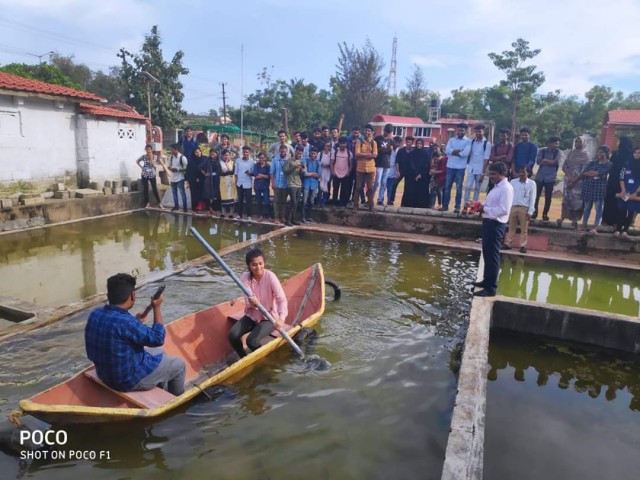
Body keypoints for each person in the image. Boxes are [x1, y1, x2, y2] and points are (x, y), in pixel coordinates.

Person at [85, 273, 185, 395]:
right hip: (126, 381)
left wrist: (136, 321)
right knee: (179, 365)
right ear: (132, 295)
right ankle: (177, 400)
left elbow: (118, 333)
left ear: (109, 295)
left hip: (104, 374)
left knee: (160, 351)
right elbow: (158, 338)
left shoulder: (95, 314)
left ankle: (157, 387)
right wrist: (156, 308)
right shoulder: (127, 322)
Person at [228, 248, 288, 358]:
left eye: (261, 263)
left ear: (264, 262)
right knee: (233, 335)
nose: (258, 267)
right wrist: (253, 304)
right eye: (254, 265)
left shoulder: (271, 277)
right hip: (252, 315)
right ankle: (244, 357)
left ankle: (263, 359)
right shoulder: (245, 278)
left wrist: (281, 319)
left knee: (252, 341)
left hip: (269, 317)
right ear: (249, 266)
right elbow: (247, 299)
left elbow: (282, 300)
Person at [467, 162, 514, 297]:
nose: (491, 176)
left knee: (492, 256)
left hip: (496, 224)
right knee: (487, 254)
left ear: (502, 173)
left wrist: (484, 208)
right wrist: (478, 205)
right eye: (490, 173)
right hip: (489, 221)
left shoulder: (506, 188)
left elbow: (504, 210)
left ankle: (491, 287)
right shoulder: (497, 187)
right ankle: (486, 281)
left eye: (493, 174)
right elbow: (491, 205)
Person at [502, 165, 536, 253]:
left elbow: (533, 198)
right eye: (520, 172)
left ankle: (523, 245)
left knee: (524, 228)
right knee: (511, 227)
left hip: (524, 208)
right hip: (513, 207)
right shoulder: (513, 182)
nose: (521, 174)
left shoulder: (532, 184)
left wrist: (530, 211)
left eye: (523, 172)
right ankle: (508, 243)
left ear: (528, 173)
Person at [559, 136, 590, 228]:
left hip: (579, 182)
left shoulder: (586, 155)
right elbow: (564, 166)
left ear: (583, 143)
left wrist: (574, 180)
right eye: (576, 141)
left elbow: (585, 170)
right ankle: (563, 217)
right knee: (566, 198)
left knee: (577, 200)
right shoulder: (571, 153)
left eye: (579, 141)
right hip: (568, 179)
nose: (577, 143)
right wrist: (569, 176)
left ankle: (575, 220)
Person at [602, 136, 634, 226]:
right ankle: (615, 221)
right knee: (613, 199)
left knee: (619, 200)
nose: (617, 143)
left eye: (619, 141)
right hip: (618, 180)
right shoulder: (617, 153)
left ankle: (610, 220)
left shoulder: (625, 154)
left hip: (620, 180)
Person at [581, 145, 612, 233]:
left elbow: (601, 173)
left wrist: (592, 173)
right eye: (598, 152)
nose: (599, 154)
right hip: (589, 187)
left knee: (598, 208)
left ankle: (596, 226)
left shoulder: (608, 163)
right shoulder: (592, 162)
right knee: (587, 207)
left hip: (600, 188)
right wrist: (595, 174)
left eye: (601, 152)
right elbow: (584, 172)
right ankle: (584, 224)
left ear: (606, 153)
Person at [443, 123, 472, 213]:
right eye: (459, 130)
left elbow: (465, 153)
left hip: (461, 167)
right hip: (450, 166)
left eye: (462, 130)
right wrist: (457, 151)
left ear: (465, 131)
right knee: (447, 187)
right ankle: (445, 206)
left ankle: (457, 207)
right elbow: (447, 151)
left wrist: (453, 152)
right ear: (457, 130)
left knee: (459, 187)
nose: (460, 132)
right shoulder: (451, 140)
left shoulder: (468, 141)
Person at [462, 124, 491, 213]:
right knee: (467, 187)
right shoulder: (472, 141)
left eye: (480, 132)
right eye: (477, 132)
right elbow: (467, 150)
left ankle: (474, 207)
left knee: (477, 189)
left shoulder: (487, 143)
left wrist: (483, 173)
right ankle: (466, 206)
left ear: (483, 132)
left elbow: (486, 159)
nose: (478, 133)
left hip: (480, 169)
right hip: (471, 168)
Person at [533, 136, 561, 222]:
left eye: (558, 143)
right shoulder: (542, 151)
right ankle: (534, 213)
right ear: (550, 143)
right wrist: (548, 161)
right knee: (536, 196)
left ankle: (545, 215)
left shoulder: (558, 152)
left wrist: (545, 160)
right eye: (555, 143)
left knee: (548, 197)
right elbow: (538, 161)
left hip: (551, 178)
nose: (557, 145)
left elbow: (554, 162)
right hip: (540, 177)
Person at [614, 147, 640, 238]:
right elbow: (621, 178)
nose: (637, 154)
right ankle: (618, 230)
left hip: (634, 193)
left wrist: (636, 193)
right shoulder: (626, 164)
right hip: (625, 191)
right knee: (621, 211)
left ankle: (625, 231)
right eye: (635, 152)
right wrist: (623, 190)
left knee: (631, 212)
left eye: (639, 153)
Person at [353, 124, 378, 210]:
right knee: (358, 187)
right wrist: (368, 154)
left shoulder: (373, 143)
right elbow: (357, 154)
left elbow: (375, 155)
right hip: (360, 168)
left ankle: (371, 206)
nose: (367, 132)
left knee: (370, 188)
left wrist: (363, 155)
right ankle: (355, 205)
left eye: (369, 131)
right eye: (366, 131)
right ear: (363, 132)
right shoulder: (359, 142)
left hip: (370, 168)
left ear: (372, 133)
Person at [402, 138, 431, 208]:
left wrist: (421, 174)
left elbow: (427, 166)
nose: (419, 145)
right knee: (410, 190)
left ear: (422, 145)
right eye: (418, 143)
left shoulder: (426, 154)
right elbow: (410, 164)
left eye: (420, 144)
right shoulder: (412, 154)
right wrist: (416, 174)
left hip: (423, 176)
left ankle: (422, 205)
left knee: (422, 191)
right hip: (412, 176)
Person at [136, 144, 164, 209]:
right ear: (145, 150)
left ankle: (159, 203)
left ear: (151, 150)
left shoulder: (155, 157)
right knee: (145, 189)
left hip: (152, 174)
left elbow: (154, 165)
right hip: (145, 174)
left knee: (154, 188)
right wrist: (141, 167)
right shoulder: (143, 157)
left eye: (149, 149)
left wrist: (151, 158)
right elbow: (137, 161)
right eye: (147, 149)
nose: (148, 150)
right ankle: (147, 203)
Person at [284, 146, 305, 225]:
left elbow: (300, 174)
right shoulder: (289, 160)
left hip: (299, 184)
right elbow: (285, 171)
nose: (299, 155)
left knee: (296, 203)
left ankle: (293, 219)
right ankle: (287, 219)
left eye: (300, 154)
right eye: (298, 153)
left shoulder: (301, 162)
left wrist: (302, 171)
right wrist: (294, 166)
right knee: (293, 202)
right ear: (295, 152)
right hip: (291, 184)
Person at [374, 123, 394, 205]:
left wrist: (391, 149)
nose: (387, 134)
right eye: (386, 132)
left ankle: (380, 199)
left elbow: (390, 153)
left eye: (389, 133)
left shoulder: (390, 141)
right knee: (377, 182)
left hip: (387, 163)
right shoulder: (377, 139)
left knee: (384, 182)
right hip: (379, 163)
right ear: (384, 130)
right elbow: (374, 151)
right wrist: (380, 149)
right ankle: (371, 197)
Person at [330, 136, 353, 206]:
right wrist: (333, 172)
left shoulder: (349, 153)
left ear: (346, 144)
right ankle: (334, 203)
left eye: (344, 143)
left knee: (344, 190)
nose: (342, 145)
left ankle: (342, 203)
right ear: (339, 143)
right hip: (336, 173)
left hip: (345, 174)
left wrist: (349, 172)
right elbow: (331, 163)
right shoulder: (335, 152)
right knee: (335, 189)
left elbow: (351, 164)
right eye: (341, 143)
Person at [235, 146, 255, 220]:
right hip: (239, 183)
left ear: (249, 153)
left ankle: (249, 215)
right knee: (240, 200)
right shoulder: (238, 161)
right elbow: (236, 172)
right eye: (244, 152)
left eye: (246, 152)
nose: (245, 153)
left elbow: (254, 173)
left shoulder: (252, 162)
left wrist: (250, 173)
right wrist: (236, 182)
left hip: (248, 183)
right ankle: (239, 215)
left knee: (248, 201)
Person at [271, 145, 290, 225]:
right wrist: (272, 182)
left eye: (284, 151)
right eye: (282, 151)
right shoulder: (275, 159)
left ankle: (282, 217)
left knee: (284, 202)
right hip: (277, 184)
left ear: (286, 151)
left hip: (285, 184)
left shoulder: (289, 160)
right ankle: (276, 217)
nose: (283, 152)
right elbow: (272, 172)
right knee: (276, 201)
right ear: (280, 151)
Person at [167, 143, 188, 213]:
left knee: (182, 193)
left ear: (176, 149)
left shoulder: (182, 157)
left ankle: (185, 208)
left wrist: (178, 170)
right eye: (171, 149)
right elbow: (168, 166)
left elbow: (187, 168)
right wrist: (171, 169)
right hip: (173, 178)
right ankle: (176, 206)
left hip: (180, 178)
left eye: (172, 149)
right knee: (174, 193)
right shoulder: (171, 157)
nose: (171, 151)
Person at [393, 136, 414, 206]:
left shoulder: (414, 151)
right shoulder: (401, 151)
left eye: (410, 142)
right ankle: (391, 200)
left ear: (412, 143)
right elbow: (397, 162)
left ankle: (404, 203)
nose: (409, 144)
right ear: (406, 142)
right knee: (394, 184)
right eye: (407, 142)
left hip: (410, 172)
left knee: (407, 188)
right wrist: (397, 171)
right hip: (401, 171)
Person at [302, 147, 321, 223]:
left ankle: (309, 217)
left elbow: (319, 175)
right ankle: (303, 217)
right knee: (304, 201)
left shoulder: (318, 163)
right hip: (306, 183)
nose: (313, 155)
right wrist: (313, 174)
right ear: (309, 153)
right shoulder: (305, 161)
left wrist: (310, 174)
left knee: (311, 201)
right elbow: (305, 174)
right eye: (312, 153)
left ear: (317, 154)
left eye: (314, 153)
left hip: (314, 184)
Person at [201, 149, 222, 216]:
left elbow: (220, 171)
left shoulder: (219, 161)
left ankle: (214, 209)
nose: (212, 155)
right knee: (207, 195)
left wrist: (214, 174)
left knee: (216, 195)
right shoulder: (207, 160)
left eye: (214, 154)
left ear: (217, 154)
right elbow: (200, 167)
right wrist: (205, 173)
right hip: (209, 180)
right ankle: (209, 210)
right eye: (211, 154)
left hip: (216, 180)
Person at [252, 152, 271, 222]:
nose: (261, 159)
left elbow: (269, 177)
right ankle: (260, 216)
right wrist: (264, 175)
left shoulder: (268, 166)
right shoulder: (256, 165)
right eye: (260, 158)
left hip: (265, 186)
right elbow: (255, 176)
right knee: (259, 202)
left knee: (267, 202)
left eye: (262, 158)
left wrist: (260, 175)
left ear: (265, 158)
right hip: (257, 186)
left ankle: (269, 216)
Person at [429, 143, 447, 209]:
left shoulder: (444, 156)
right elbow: (431, 165)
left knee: (440, 190)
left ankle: (440, 204)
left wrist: (436, 171)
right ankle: (431, 205)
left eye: (436, 148)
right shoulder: (432, 155)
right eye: (434, 149)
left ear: (439, 148)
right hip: (434, 176)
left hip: (441, 176)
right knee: (433, 191)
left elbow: (444, 169)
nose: (435, 150)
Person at [186, 147, 205, 212]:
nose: (198, 153)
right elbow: (188, 170)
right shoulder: (191, 160)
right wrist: (188, 180)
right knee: (194, 194)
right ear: (194, 153)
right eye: (196, 152)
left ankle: (201, 207)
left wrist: (200, 177)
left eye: (199, 151)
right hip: (193, 180)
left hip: (202, 180)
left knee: (201, 194)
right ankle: (194, 207)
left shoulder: (204, 159)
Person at [219, 149, 237, 217]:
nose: (226, 156)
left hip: (231, 182)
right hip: (223, 182)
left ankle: (231, 213)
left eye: (228, 155)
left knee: (231, 198)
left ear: (230, 156)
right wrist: (228, 172)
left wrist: (226, 172)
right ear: (223, 156)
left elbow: (234, 172)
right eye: (225, 155)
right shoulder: (220, 163)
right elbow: (220, 172)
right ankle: (223, 213)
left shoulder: (232, 163)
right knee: (223, 198)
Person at [386, 136, 402, 206]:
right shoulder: (389, 149)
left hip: (394, 171)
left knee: (391, 187)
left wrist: (397, 171)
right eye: (396, 142)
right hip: (386, 169)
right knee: (383, 186)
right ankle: (380, 200)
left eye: (398, 143)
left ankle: (390, 200)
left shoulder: (399, 151)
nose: (397, 144)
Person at [318, 142, 333, 207]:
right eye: (326, 146)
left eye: (329, 146)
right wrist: (322, 164)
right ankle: (318, 202)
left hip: (328, 172)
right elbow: (317, 162)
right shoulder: (320, 154)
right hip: (321, 172)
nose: (327, 147)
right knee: (319, 189)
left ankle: (324, 202)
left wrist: (329, 165)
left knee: (326, 188)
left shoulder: (332, 154)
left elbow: (333, 163)